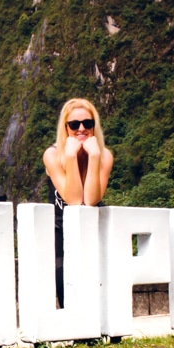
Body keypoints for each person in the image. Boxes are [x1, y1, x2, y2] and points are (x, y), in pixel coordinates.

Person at [43, 98, 114, 307]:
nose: (81, 128)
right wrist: (71, 156)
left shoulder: (104, 156)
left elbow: (91, 199)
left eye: (87, 123)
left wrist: (93, 156)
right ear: (65, 128)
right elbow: (73, 199)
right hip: (59, 228)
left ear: (94, 126)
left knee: (98, 283)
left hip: (93, 226)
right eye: (74, 124)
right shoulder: (52, 155)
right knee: (63, 280)